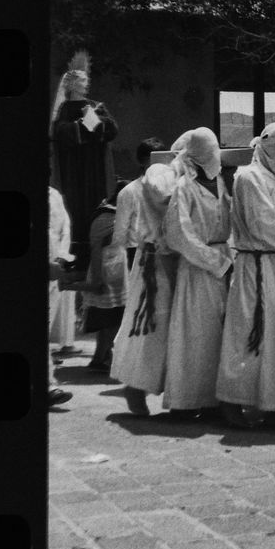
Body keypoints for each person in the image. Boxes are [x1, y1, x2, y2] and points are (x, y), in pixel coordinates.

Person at [216, 123, 275, 428]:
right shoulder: (249, 178)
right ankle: (231, 399)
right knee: (248, 333)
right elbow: (262, 223)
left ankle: (270, 402)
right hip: (256, 267)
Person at [162, 128, 232, 417]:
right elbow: (178, 234)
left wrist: (228, 256)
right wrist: (213, 260)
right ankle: (186, 400)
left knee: (219, 336)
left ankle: (214, 400)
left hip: (223, 264)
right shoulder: (185, 187)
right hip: (198, 268)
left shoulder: (220, 184)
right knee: (195, 336)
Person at [111, 163, 179, 417]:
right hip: (155, 261)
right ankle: (136, 387)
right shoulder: (161, 174)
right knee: (153, 328)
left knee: (172, 328)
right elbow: (162, 197)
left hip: (171, 259)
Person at [50, 55, 118, 266]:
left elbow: (112, 129)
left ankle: (95, 253)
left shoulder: (96, 106)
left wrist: (93, 120)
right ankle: (76, 255)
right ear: (71, 84)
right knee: (74, 207)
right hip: (73, 171)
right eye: (82, 80)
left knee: (95, 204)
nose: (86, 82)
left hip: (94, 169)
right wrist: (83, 125)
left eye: (86, 79)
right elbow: (59, 133)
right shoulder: (64, 110)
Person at [74, 187, 128, 373]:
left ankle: (102, 357)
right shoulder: (105, 217)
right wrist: (97, 279)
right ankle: (102, 357)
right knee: (109, 319)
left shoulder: (117, 214)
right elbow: (96, 249)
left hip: (117, 271)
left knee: (112, 318)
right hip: (105, 271)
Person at [113, 137, 165, 269]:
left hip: (165, 251)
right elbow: (120, 233)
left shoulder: (172, 189)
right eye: (152, 160)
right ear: (142, 161)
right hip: (137, 253)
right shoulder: (129, 192)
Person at [48, 184, 74, 408]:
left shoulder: (54, 194)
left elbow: (64, 229)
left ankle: (47, 385)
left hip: (51, 274)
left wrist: (61, 259)